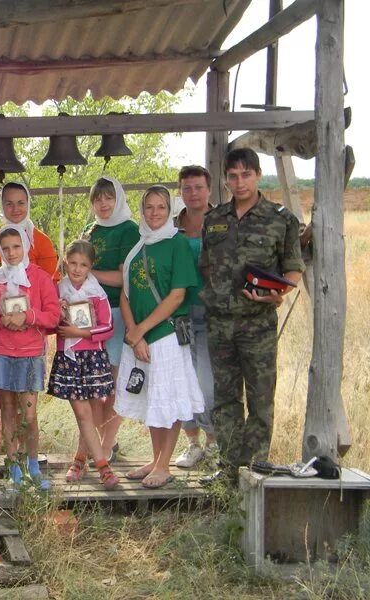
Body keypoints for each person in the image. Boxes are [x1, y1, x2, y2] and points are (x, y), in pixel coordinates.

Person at [200, 149, 304, 483]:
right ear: (226, 178)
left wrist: (278, 294)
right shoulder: (214, 219)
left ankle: (255, 468)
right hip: (219, 324)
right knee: (226, 398)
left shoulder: (280, 218)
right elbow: (206, 266)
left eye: (246, 174)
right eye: (232, 175)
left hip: (257, 324)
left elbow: (292, 269)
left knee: (260, 397)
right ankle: (228, 469)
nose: (239, 182)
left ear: (258, 175)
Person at [115, 185, 204, 489]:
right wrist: (133, 333)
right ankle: (155, 459)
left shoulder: (176, 244)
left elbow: (177, 295)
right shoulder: (139, 246)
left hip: (164, 335)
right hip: (139, 339)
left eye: (161, 207)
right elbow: (126, 293)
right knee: (153, 397)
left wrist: (142, 330)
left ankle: (164, 465)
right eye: (149, 207)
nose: (154, 213)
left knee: (169, 398)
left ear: (170, 211)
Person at [0, 225, 60, 489]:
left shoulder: (40, 278)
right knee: (9, 413)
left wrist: (29, 316)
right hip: (2, 353)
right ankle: (13, 467)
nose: (11, 253)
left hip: (30, 354)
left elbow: (54, 316)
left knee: (29, 415)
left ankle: (32, 464)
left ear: (25, 247)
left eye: (16, 246)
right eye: (6, 248)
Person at [47, 240, 119, 489]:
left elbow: (108, 327)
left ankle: (79, 460)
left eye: (84, 265)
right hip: (69, 358)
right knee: (82, 412)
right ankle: (103, 466)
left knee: (88, 413)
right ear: (65, 261)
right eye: (73, 263)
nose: (77, 269)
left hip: (92, 358)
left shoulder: (96, 292)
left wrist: (81, 331)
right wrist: (57, 312)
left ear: (91, 267)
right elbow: (50, 325)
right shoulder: (58, 289)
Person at [79, 176, 140, 467]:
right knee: (95, 387)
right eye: (97, 199)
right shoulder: (90, 231)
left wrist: (92, 275)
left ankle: (106, 445)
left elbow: (124, 277)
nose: (103, 204)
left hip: (116, 312)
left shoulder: (129, 230)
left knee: (113, 384)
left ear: (118, 200)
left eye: (108, 198)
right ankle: (99, 444)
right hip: (88, 317)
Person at [173, 166, 218, 469]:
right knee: (182, 379)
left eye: (198, 187)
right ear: (180, 192)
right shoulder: (171, 227)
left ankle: (213, 443)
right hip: (178, 313)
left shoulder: (223, 222)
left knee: (208, 380)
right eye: (187, 188)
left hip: (213, 312)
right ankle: (192, 443)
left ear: (209, 189)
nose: (193, 193)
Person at [0, 182, 60, 282]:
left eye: (20, 203)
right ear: (2, 205)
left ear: (28, 203)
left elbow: (51, 281)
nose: (15, 209)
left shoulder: (41, 241)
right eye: (9, 204)